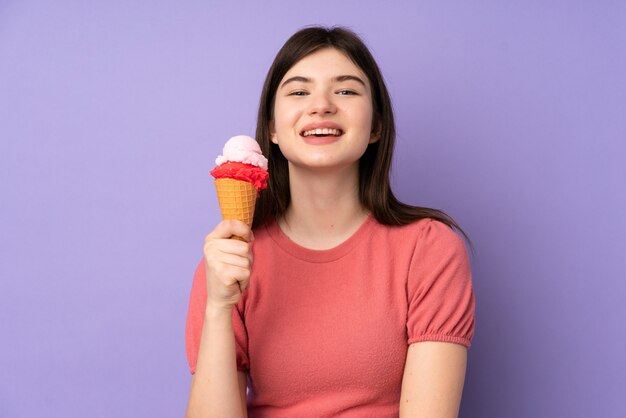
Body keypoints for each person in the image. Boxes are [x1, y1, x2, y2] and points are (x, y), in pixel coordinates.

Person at [185, 26, 476, 418]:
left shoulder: (430, 248)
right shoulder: (226, 265)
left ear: (375, 125)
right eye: (299, 91)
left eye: (346, 90)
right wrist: (219, 307)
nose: (321, 105)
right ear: (272, 127)